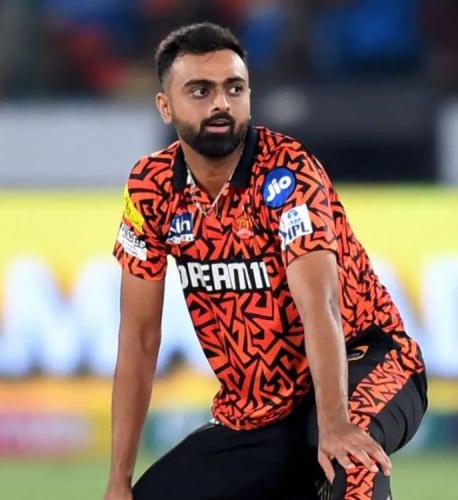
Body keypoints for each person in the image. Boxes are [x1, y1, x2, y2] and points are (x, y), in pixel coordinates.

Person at [104, 22, 427, 500]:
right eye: (200, 91)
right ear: (165, 105)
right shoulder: (150, 188)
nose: (221, 103)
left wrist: (335, 422)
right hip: (260, 407)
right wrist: (118, 480)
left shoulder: (286, 172)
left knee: (350, 461)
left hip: (367, 360)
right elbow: (138, 336)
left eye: (234, 88)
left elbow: (320, 305)